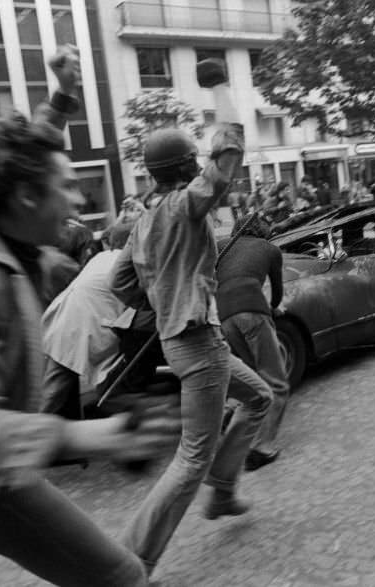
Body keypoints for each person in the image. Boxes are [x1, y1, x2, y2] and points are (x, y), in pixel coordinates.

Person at [0, 47, 181, 587]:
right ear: (26, 198)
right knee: (122, 578)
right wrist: (95, 437)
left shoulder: (4, 222)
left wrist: (64, 93)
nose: (76, 201)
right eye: (67, 188)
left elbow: (31, 154)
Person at [113, 60, 272, 579]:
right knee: (191, 456)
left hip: (189, 341)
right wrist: (222, 88)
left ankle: (223, 493)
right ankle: (133, 560)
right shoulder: (183, 207)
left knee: (259, 398)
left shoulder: (141, 223)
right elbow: (226, 157)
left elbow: (121, 284)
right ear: (184, 169)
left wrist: (164, 300)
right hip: (199, 345)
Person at [40, 222, 135, 420]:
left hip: (67, 319)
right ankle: (30, 434)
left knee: (59, 385)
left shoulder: (103, 257)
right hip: (78, 326)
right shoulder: (125, 263)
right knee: (54, 390)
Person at [216, 213, 287, 472]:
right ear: (263, 230)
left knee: (251, 375)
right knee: (277, 383)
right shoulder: (269, 249)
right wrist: (273, 308)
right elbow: (277, 291)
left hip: (224, 316)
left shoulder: (222, 246)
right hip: (253, 310)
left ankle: (229, 412)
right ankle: (262, 448)